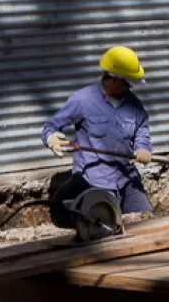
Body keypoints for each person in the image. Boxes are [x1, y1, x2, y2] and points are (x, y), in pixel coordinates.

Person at [42, 46, 154, 227]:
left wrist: (143, 148)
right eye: (127, 83)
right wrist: (51, 138)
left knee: (147, 220)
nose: (129, 88)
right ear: (113, 80)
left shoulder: (133, 104)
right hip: (94, 182)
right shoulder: (82, 101)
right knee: (107, 229)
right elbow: (51, 126)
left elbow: (141, 128)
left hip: (127, 180)